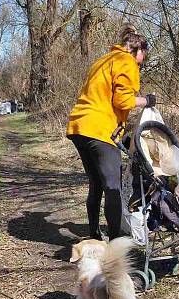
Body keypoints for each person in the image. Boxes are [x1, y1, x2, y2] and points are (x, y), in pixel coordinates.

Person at [66, 24, 157, 241]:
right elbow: (123, 100)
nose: (142, 62)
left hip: (80, 126)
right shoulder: (127, 62)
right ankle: (116, 244)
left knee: (96, 183)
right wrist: (147, 101)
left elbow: (103, 98)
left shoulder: (104, 60)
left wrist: (122, 133)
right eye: (144, 56)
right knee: (113, 187)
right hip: (99, 129)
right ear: (139, 50)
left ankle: (95, 236)